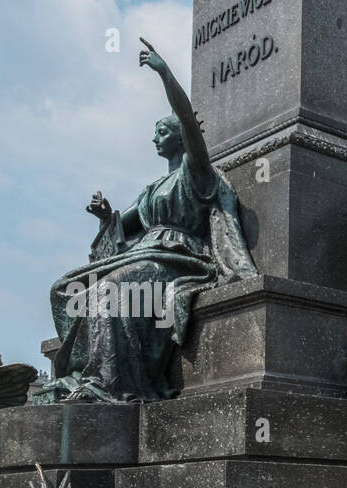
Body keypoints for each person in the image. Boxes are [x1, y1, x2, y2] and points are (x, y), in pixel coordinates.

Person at [35, 39, 258, 405]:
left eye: (163, 131)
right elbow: (122, 226)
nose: (155, 137)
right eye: (156, 131)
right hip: (144, 255)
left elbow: (188, 120)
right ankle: (88, 374)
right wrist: (106, 216)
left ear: (182, 138)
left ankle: (110, 384)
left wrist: (165, 74)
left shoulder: (197, 174)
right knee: (70, 289)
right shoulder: (152, 189)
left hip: (176, 259)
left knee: (109, 293)